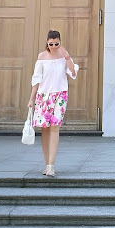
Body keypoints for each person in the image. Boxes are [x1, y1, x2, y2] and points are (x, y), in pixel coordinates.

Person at [28, 30, 78, 176]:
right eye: (51, 44)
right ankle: (47, 164)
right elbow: (36, 79)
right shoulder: (42, 57)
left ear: (60, 42)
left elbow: (73, 73)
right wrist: (31, 98)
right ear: (47, 42)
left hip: (60, 95)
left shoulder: (63, 56)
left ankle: (51, 166)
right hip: (43, 96)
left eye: (57, 44)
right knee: (44, 129)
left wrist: (67, 56)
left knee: (55, 127)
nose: (54, 46)